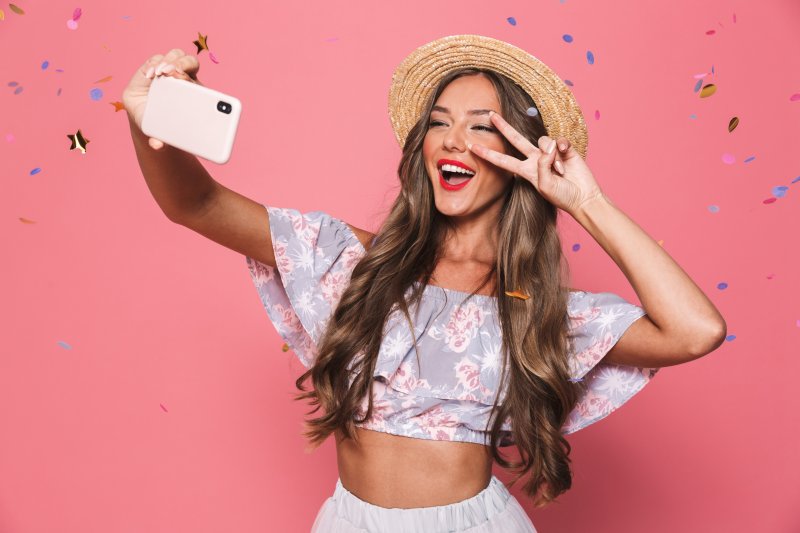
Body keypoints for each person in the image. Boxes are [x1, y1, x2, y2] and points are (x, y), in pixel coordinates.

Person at [123, 34, 727, 533]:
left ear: (523, 155)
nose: (452, 139)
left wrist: (587, 201)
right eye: (438, 123)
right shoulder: (353, 263)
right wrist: (148, 121)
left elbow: (696, 331)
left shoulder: (535, 310)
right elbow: (195, 203)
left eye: (480, 126)